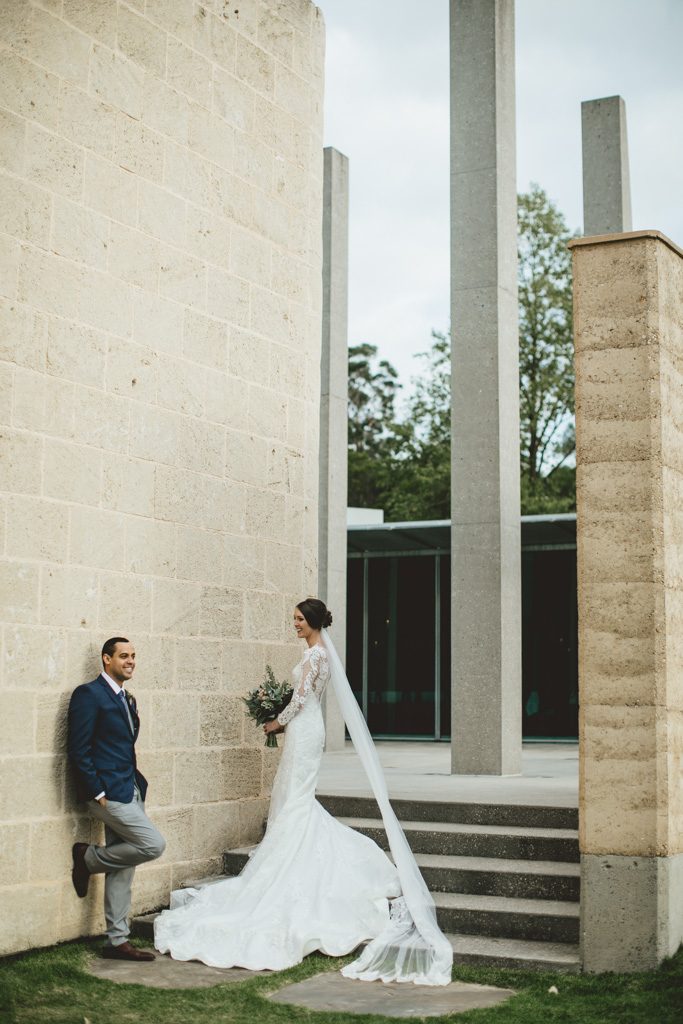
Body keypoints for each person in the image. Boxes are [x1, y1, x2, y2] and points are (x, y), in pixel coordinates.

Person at [154, 600, 452, 985]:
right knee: (295, 798)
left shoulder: (315, 655)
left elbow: (299, 699)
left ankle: (294, 861)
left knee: (296, 799)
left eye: (298, 619)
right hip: (306, 730)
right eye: (293, 619)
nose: (294, 624)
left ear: (312, 622)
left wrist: (276, 722)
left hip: (304, 730)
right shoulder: (317, 652)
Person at [67, 637, 166, 961]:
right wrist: (97, 791)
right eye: (124, 655)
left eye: (133, 655)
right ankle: (86, 857)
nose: (131, 661)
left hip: (130, 788)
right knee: (152, 844)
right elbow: (78, 748)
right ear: (106, 659)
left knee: (124, 865)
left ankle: (116, 940)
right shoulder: (89, 694)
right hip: (107, 794)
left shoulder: (127, 698)